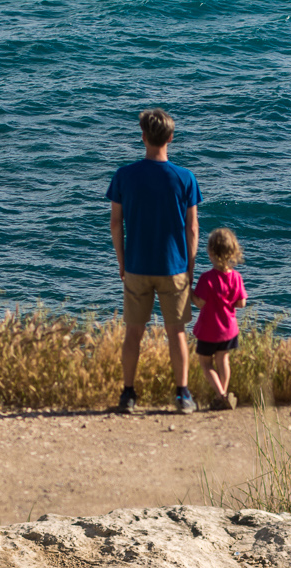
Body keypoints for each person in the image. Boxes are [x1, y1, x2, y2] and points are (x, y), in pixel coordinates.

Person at [105, 108, 201, 414]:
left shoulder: (124, 175)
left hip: (136, 265)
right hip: (174, 266)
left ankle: (128, 394)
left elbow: (116, 223)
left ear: (143, 136)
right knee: (177, 333)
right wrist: (190, 267)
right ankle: (183, 395)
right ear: (171, 138)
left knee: (133, 332)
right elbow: (193, 228)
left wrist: (121, 261)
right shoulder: (185, 178)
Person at [192, 227, 247, 410]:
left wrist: (189, 292)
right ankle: (222, 396)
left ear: (210, 253)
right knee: (223, 361)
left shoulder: (207, 278)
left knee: (206, 364)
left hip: (209, 330)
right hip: (229, 329)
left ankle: (221, 396)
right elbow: (241, 303)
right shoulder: (236, 277)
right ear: (233, 252)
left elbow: (200, 303)